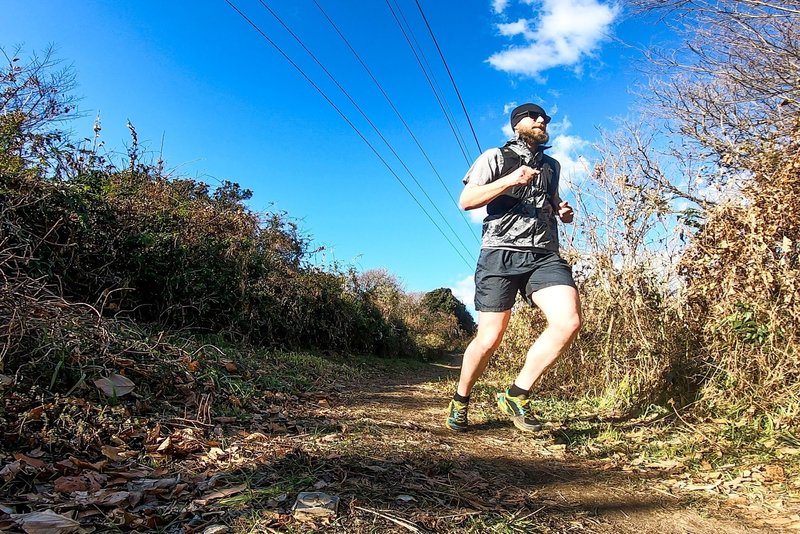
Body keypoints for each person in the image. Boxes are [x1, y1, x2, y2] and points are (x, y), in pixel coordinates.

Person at [445, 103, 582, 433]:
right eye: (534, 116)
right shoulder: (495, 157)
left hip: (544, 254)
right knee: (489, 338)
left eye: (545, 118)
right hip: (501, 252)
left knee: (569, 321)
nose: (541, 120)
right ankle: (461, 399)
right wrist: (509, 180)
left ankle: (516, 394)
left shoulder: (552, 165)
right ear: (516, 123)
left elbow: (552, 201)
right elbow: (467, 200)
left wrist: (561, 210)